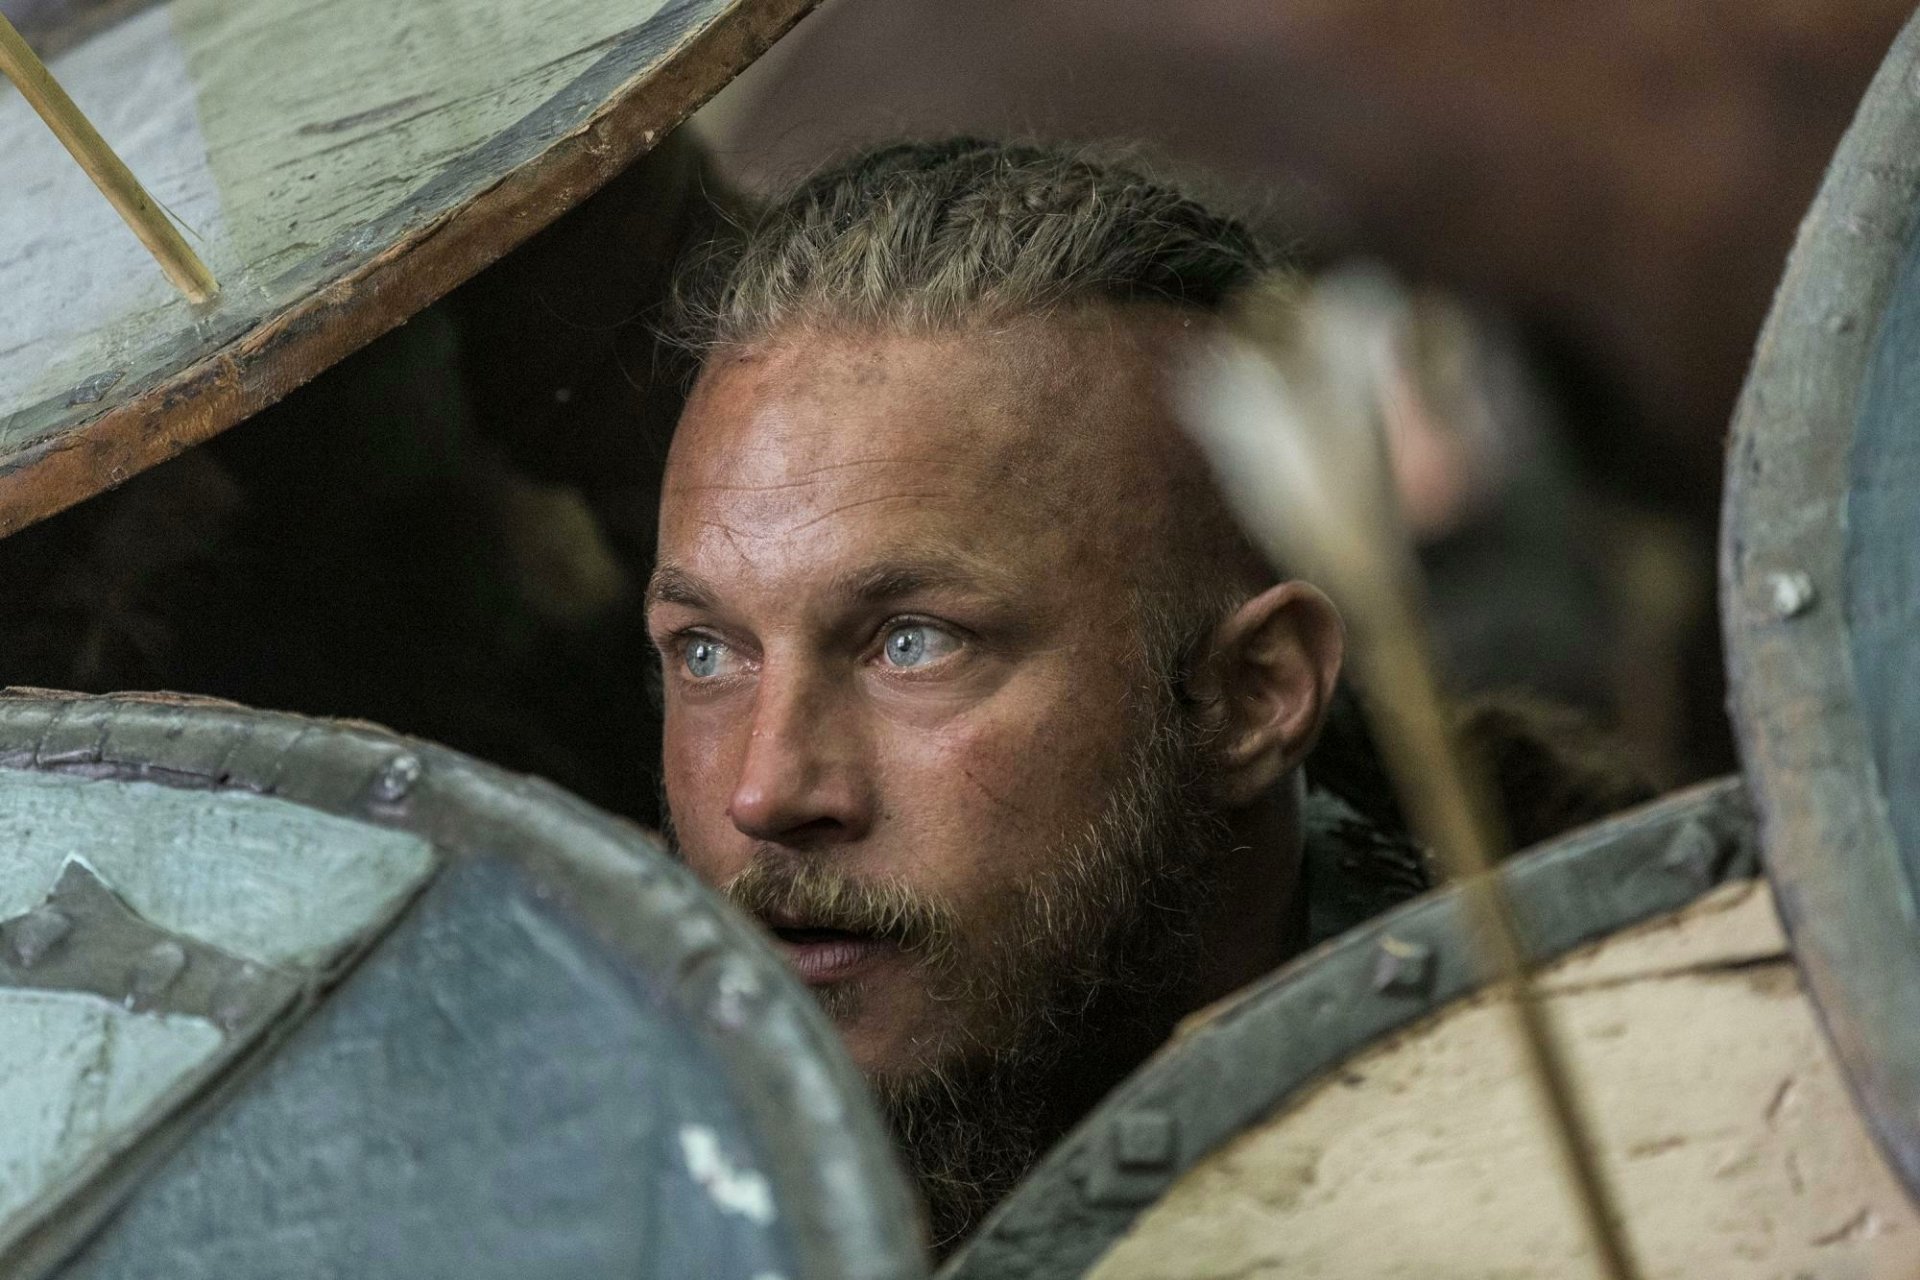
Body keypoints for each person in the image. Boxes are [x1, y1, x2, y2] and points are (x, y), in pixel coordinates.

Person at [646, 138, 1455, 1250]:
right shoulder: (609, 1195)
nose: (766, 788)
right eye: (706, 652)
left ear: (1255, 693)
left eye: (911, 642)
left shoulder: (1589, 1146)